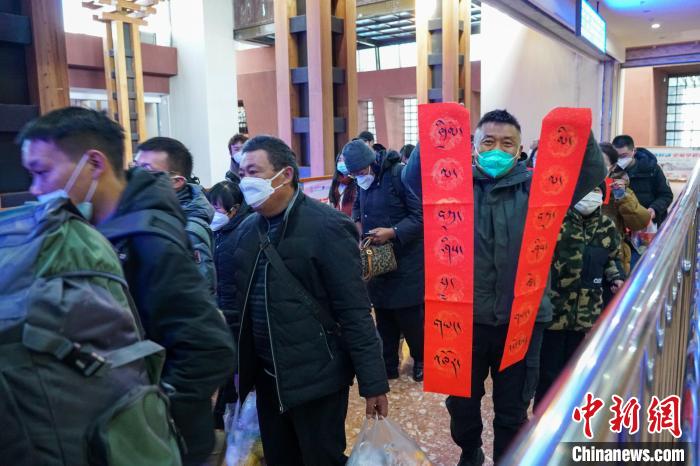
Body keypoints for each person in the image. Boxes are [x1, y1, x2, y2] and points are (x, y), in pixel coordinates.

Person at [18, 107, 236, 466]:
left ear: (94, 163)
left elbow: (209, 349)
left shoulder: (149, 241)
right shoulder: (87, 230)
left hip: (153, 443)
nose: (35, 188)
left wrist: (144, 414)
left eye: (41, 172)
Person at [401, 109, 606, 465]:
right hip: (464, 322)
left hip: (522, 322)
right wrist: (438, 133)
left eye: (507, 143)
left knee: (513, 409)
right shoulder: (451, 185)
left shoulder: (541, 188)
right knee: (461, 404)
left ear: (520, 149)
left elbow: (589, 173)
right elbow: (412, 177)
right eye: (489, 142)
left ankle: (507, 459)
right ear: (474, 146)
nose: (497, 149)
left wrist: (576, 130)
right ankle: (470, 450)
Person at [217, 135, 389, 465]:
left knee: (321, 458)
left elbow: (354, 312)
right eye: (241, 173)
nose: (245, 181)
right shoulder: (246, 231)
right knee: (279, 458)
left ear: (285, 174)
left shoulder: (328, 227)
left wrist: (373, 383)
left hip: (318, 379)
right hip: (268, 378)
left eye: (253, 171)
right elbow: (240, 309)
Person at [534, 184, 624, 407]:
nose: (589, 196)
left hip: (586, 312)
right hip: (555, 310)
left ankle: (569, 411)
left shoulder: (606, 226)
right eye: (585, 190)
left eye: (595, 191)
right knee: (548, 368)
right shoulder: (556, 221)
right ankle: (543, 413)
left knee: (575, 369)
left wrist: (616, 277)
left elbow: (612, 258)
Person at [344, 142, 425, 382]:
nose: (359, 178)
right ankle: (388, 364)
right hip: (377, 259)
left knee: (410, 318)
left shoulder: (399, 175)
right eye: (354, 175)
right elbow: (357, 207)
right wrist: (359, 229)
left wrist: (392, 232)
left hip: (406, 259)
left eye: (361, 172)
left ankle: (421, 359)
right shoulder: (363, 182)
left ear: (371, 163)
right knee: (383, 315)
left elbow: (420, 217)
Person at [135, 136, 217, 295]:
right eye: (135, 167)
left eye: (145, 169)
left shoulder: (188, 231)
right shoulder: (151, 215)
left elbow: (198, 296)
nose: (135, 176)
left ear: (176, 181)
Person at [600, 143, 651, 276]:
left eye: (602, 163)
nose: (596, 168)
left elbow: (640, 222)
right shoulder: (577, 189)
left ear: (612, 167)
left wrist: (622, 197)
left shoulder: (621, 190)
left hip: (615, 257)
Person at [611, 135, 673, 226]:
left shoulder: (652, 169)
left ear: (634, 151)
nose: (620, 159)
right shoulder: (612, 171)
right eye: (617, 156)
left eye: (624, 156)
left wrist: (654, 208)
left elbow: (666, 195)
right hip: (623, 224)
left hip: (650, 222)